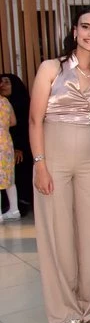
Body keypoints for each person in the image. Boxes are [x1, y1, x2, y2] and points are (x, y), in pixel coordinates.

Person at [28, 6, 90, 323]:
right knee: (59, 232)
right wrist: (40, 164)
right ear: (75, 31)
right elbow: (34, 119)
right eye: (86, 27)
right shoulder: (51, 67)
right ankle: (65, 307)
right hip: (54, 156)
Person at [0, 74, 32, 216]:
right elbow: (13, 123)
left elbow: (26, 129)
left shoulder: (24, 105)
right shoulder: (6, 103)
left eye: (7, 82)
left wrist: (20, 148)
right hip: (8, 146)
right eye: (1, 82)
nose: (2, 85)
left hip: (21, 148)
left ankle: (21, 202)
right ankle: (12, 207)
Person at [0, 77, 18, 220]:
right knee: (9, 177)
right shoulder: (5, 101)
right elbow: (13, 122)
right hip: (6, 141)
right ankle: (14, 210)